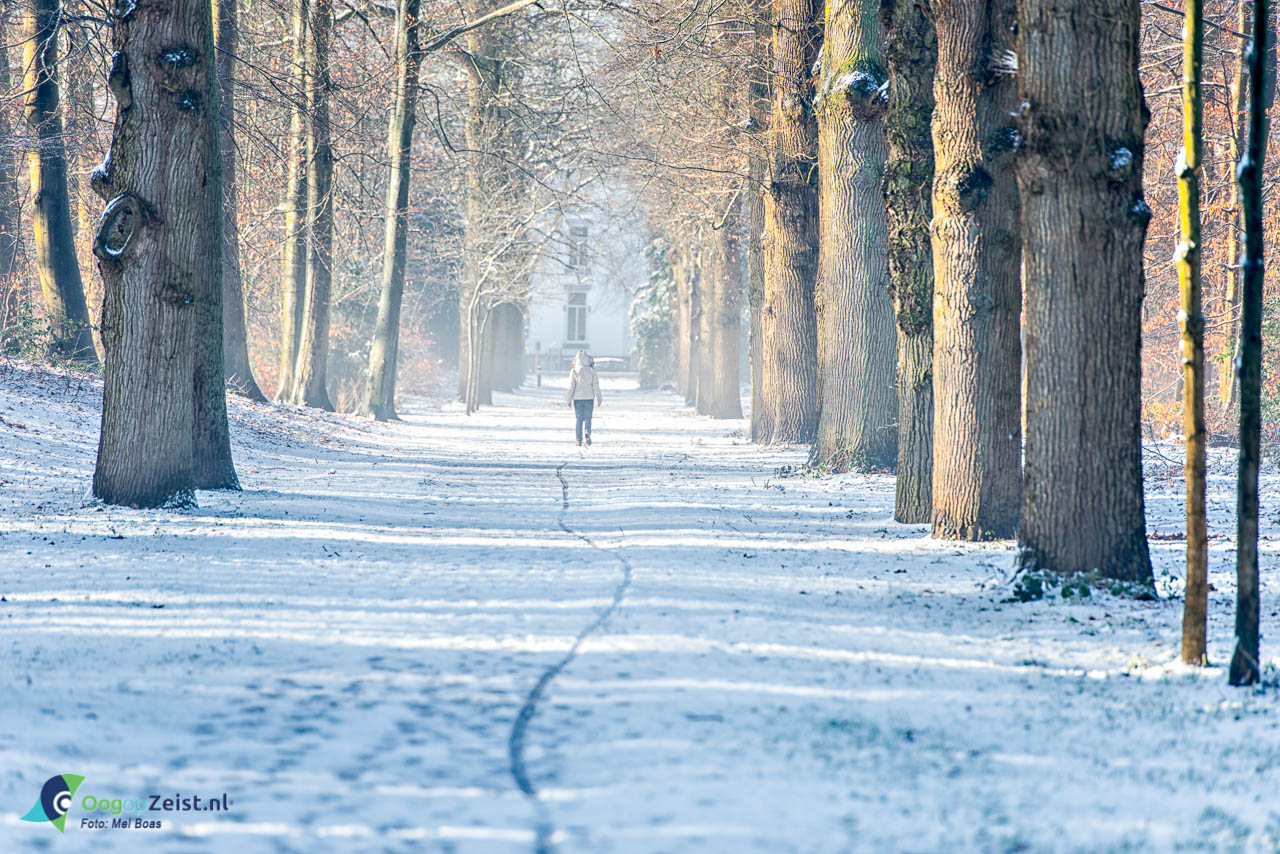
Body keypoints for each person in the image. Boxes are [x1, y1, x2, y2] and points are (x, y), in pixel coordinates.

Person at [566, 350, 603, 446]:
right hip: (589, 398)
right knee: (588, 418)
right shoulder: (592, 371)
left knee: (579, 419)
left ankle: (578, 440)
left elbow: (571, 386)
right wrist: (599, 398)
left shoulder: (574, 371)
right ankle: (587, 432)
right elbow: (596, 385)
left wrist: (568, 399)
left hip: (577, 399)